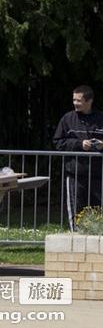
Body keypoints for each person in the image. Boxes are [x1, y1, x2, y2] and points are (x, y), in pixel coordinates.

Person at [53, 85, 103, 231]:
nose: (75, 103)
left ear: (89, 101)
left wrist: (101, 145)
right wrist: (79, 144)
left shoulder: (101, 118)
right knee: (76, 209)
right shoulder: (68, 119)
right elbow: (58, 142)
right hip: (75, 173)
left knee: (99, 208)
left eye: (79, 100)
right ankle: (76, 238)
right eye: (74, 100)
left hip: (98, 173)